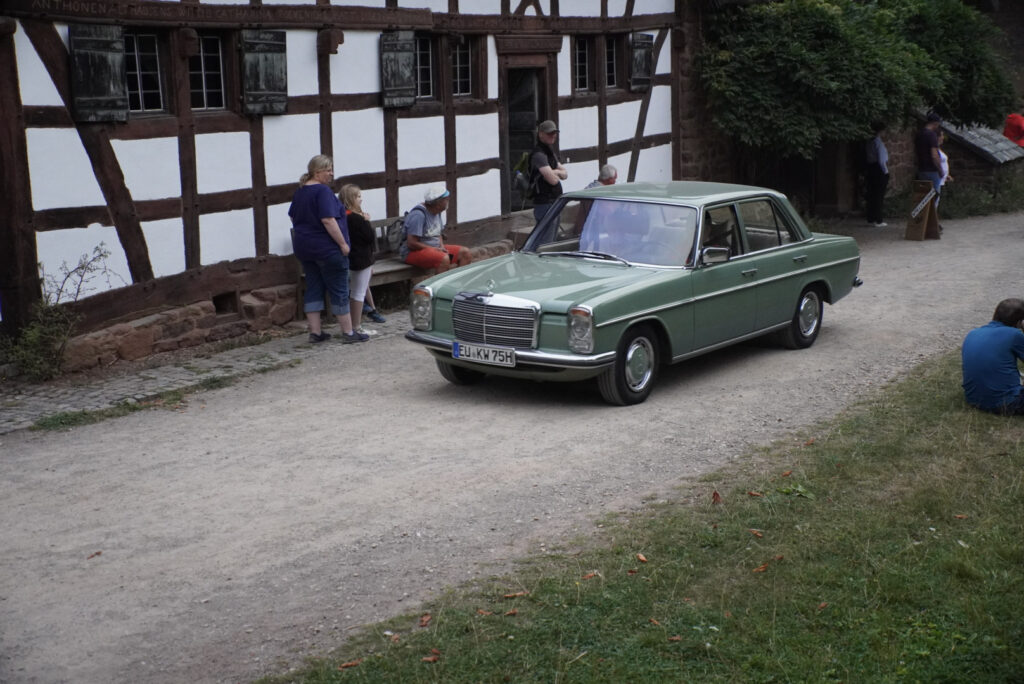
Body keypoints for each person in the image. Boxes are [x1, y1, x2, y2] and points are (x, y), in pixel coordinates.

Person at [289, 155, 368, 344]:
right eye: (328, 170)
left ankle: (315, 332)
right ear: (317, 172)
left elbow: (293, 217)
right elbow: (328, 220)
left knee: (313, 287)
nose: (332, 174)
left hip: (305, 248)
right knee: (339, 288)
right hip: (327, 249)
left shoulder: (300, 191)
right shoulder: (322, 191)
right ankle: (348, 333)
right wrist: (342, 244)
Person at [962, 298, 1024, 415]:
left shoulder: (973, 333)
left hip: (974, 399)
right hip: (1006, 403)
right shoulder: (1014, 335)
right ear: (1019, 322)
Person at [339, 184, 382, 335]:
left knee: (355, 291)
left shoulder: (343, 216)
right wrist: (366, 221)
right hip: (361, 259)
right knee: (358, 293)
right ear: (351, 199)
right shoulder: (356, 218)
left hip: (352, 258)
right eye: (358, 196)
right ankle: (356, 326)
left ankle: (353, 325)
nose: (361, 199)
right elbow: (369, 237)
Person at [399, 186, 472, 272]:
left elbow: (438, 234)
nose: (448, 201)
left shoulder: (437, 212)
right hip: (412, 253)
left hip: (435, 250)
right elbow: (411, 243)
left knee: (465, 253)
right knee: (444, 259)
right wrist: (434, 249)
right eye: (446, 199)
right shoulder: (418, 215)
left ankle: (459, 281)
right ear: (438, 203)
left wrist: (441, 247)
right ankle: (441, 281)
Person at [529, 120, 568, 224]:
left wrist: (553, 171)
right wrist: (556, 173)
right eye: (549, 133)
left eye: (554, 132)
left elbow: (565, 174)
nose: (553, 135)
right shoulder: (539, 154)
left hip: (554, 202)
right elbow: (553, 180)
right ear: (541, 134)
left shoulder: (550, 153)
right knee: (547, 235)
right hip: (545, 204)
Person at [864, 121, 889, 228]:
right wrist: (886, 172)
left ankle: (871, 217)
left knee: (871, 194)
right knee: (879, 195)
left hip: (870, 168)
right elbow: (882, 160)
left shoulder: (869, 142)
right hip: (879, 170)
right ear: (881, 131)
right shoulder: (879, 143)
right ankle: (878, 219)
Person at [915, 112, 943, 197]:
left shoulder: (919, 134)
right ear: (936, 123)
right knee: (934, 197)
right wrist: (940, 170)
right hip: (932, 170)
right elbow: (934, 155)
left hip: (921, 169)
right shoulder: (931, 135)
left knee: (924, 198)